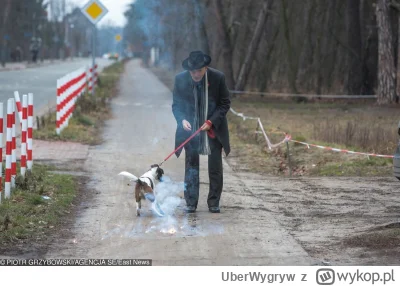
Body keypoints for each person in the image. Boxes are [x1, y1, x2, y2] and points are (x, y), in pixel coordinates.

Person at [172, 50, 231, 213]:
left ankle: (214, 202)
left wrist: (211, 121)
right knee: (191, 165)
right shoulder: (180, 79)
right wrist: (182, 119)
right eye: (193, 71)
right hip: (190, 128)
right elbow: (176, 105)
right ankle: (191, 202)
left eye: (199, 70)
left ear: (205, 68)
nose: (196, 74)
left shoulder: (218, 78)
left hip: (213, 127)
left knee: (215, 167)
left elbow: (225, 103)